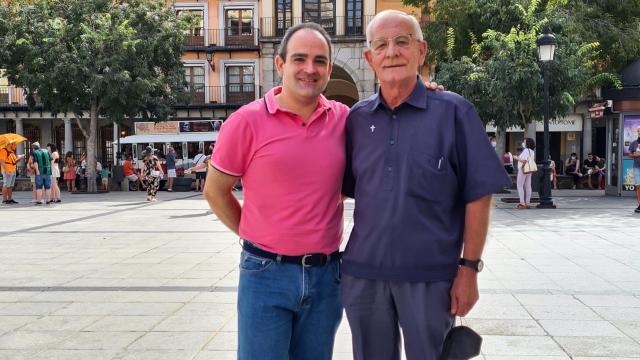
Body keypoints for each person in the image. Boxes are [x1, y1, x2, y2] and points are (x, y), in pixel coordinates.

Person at [341, 10, 511, 359]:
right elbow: (343, 187)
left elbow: (478, 195)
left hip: (432, 278)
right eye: (382, 45)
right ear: (370, 58)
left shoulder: (454, 112)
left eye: (402, 42)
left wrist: (469, 269)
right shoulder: (356, 119)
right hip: (364, 276)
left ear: (421, 50)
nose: (392, 52)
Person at [514, 138, 536, 209]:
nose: (523, 142)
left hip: (522, 169)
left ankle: (522, 202)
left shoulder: (526, 150)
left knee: (520, 185)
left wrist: (516, 158)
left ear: (527, 143)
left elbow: (524, 160)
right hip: (529, 170)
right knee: (528, 186)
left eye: (524, 141)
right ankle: (527, 202)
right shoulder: (532, 151)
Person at [628, 126, 640, 213]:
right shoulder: (634, 143)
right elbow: (629, 154)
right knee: (638, 186)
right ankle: (639, 204)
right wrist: (635, 155)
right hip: (637, 167)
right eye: (639, 131)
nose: (639, 132)